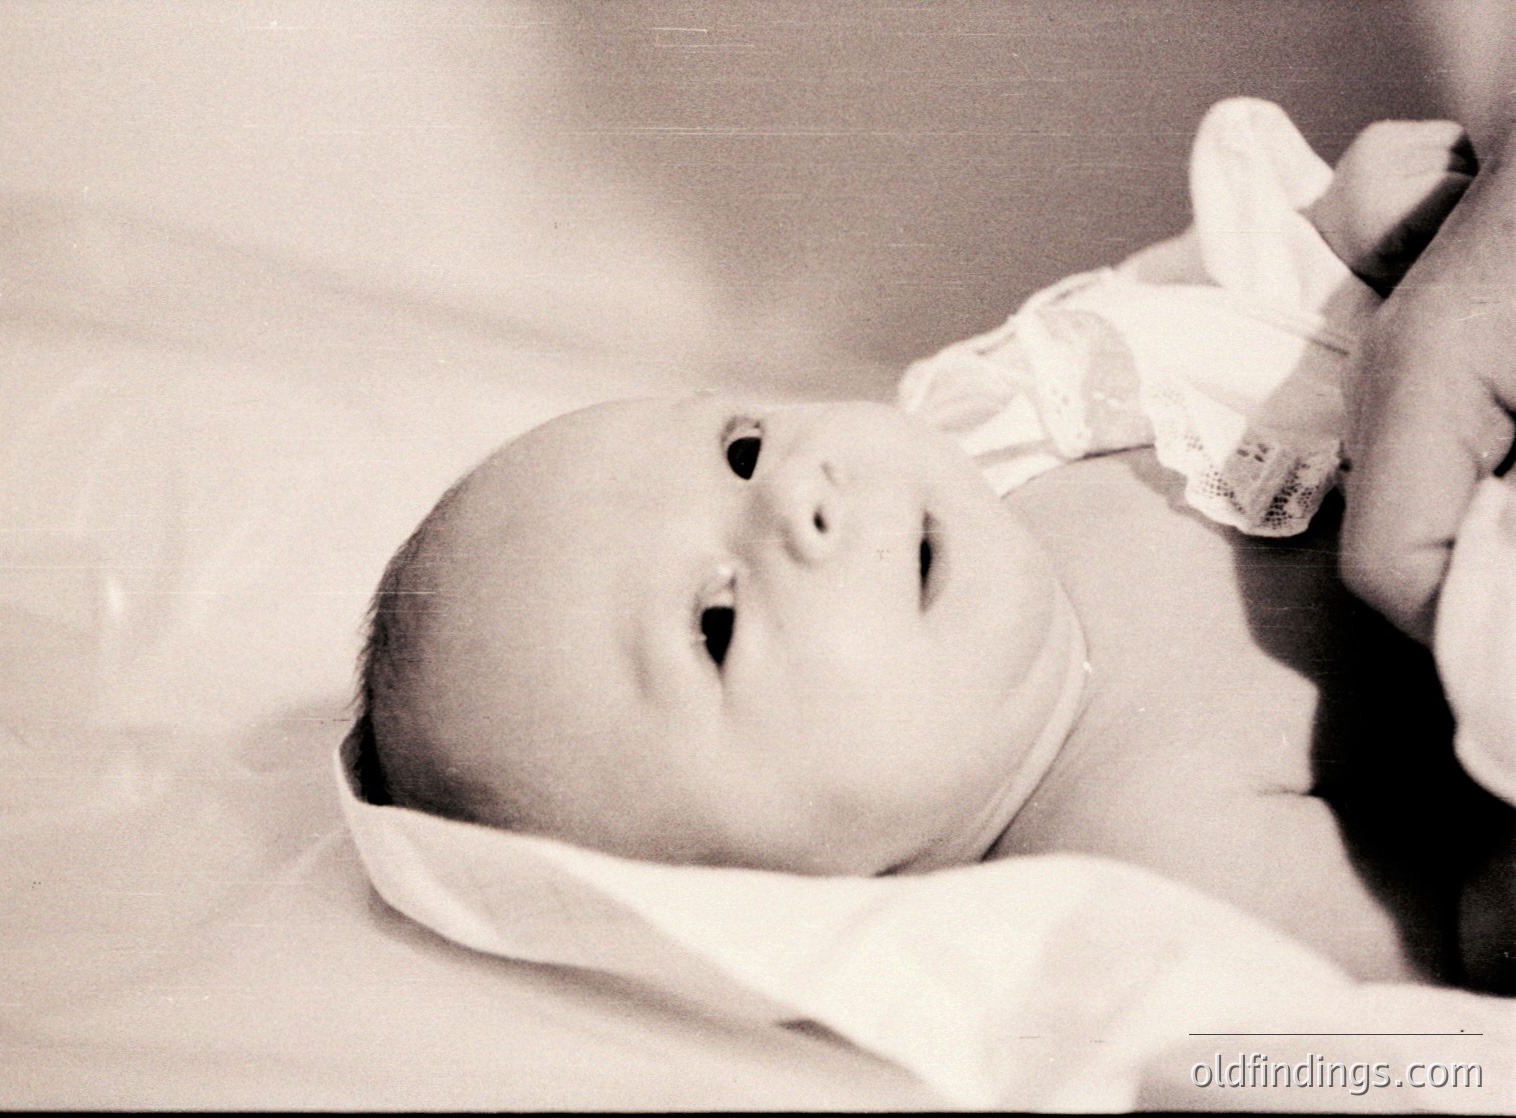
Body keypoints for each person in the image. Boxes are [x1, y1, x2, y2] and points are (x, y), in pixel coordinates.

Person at [346, 100, 1511, 987]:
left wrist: (1332, 246)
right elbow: (1457, 933)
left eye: (742, 447)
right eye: (717, 622)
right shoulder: (1148, 859)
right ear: (774, 897)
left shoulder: (993, 429)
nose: (798, 497)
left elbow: (1198, 308)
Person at [1338, 104, 1515, 990]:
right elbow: (1456, 954)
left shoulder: (975, 419)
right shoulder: (1129, 842)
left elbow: (1199, 302)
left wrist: (1345, 242)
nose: (834, 505)